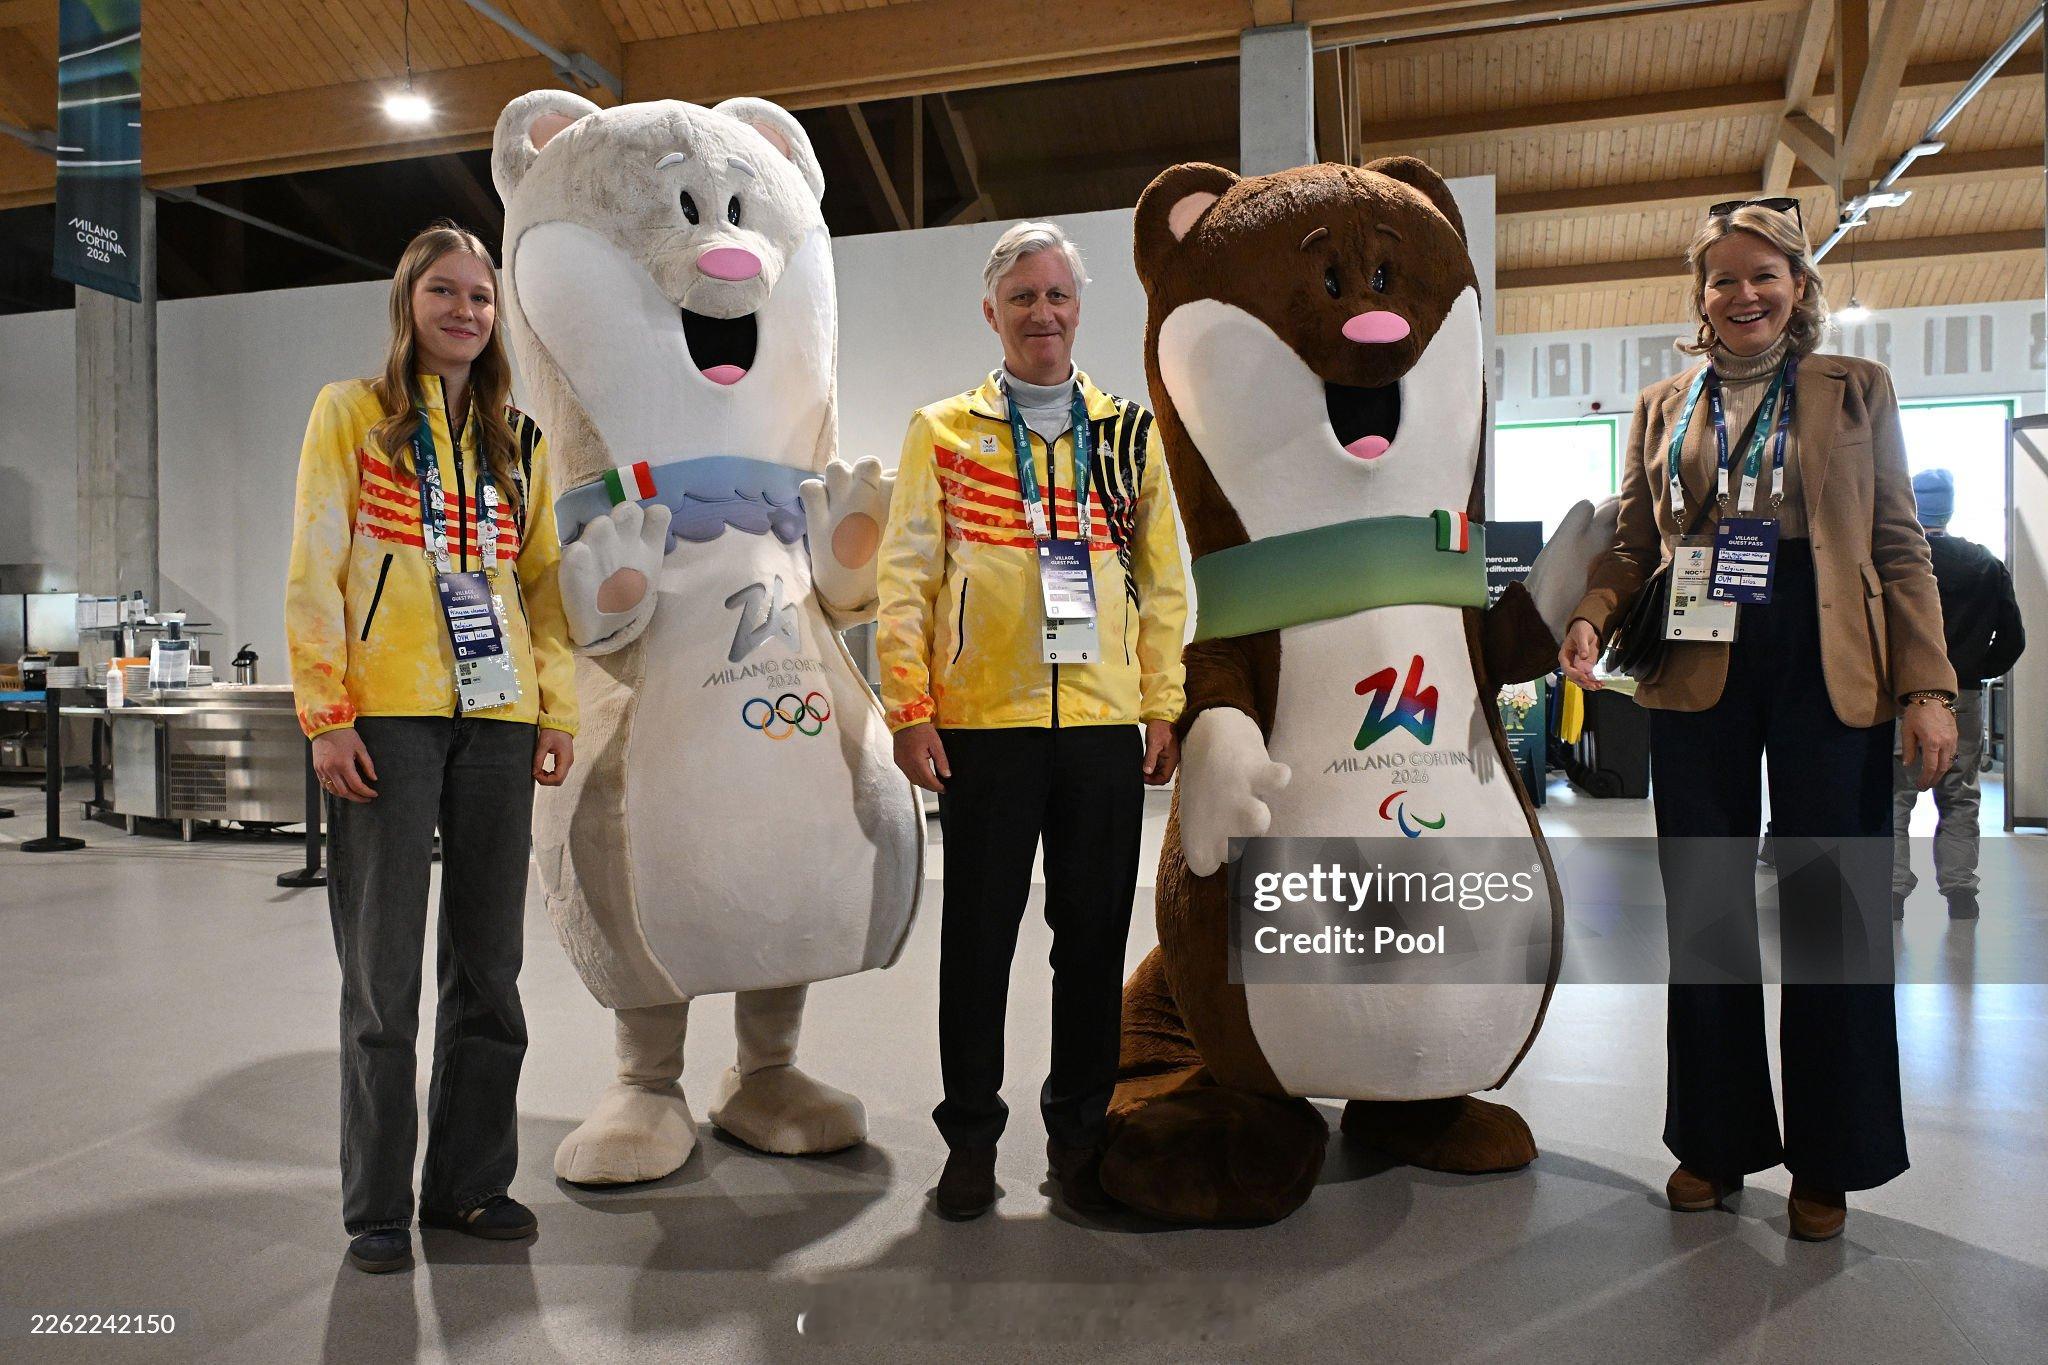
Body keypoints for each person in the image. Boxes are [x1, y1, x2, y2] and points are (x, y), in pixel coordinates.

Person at [1559, 200, 1957, 1242]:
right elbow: (1632, 542)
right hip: (1698, 653)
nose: (1742, 295)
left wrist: (1926, 687)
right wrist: (1592, 618)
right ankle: (1714, 1139)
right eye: (1721, 280)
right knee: (1704, 902)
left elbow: (1898, 546)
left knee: (1828, 910)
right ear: (1699, 299)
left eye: (1762, 276)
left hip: (1828, 655)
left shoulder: (1853, 389)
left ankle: (1829, 1157)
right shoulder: (1661, 404)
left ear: (1796, 286)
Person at [876, 221, 1188, 1220]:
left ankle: (1079, 1134)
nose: (1040, 313)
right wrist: (910, 709)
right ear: (991, 312)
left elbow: (1165, 585)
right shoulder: (942, 430)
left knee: (1090, 942)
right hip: (982, 727)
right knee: (976, 943)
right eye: (1022, 298)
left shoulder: (1130, 434)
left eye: (1056, 295)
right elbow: (905, 582)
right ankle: (969, 1137)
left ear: (1078, 306)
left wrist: (1161, 703)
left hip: (1099, 726)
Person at [285, 223, 578, 1274]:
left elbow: (543, 591)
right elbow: (315, 566)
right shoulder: (353, 416)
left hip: (497, 720)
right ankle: (375, 1203)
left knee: (489, 967)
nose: (464, 310)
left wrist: (557, 711)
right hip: (387, 719)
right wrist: (327, 715)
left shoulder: (520, 441)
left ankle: (467, 1186)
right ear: (407, 302)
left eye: (480, 297)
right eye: (444, 292)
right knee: (381, 975)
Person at [1891, 467, 2027, 920]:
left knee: (1894, 797)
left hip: (1903, 699)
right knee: (1961, 795)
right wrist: (1969, 673)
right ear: (1949, 508)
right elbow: (2013, 640)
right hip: (1961, 698)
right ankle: (1960, 891)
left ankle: (1891, 893)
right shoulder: (1985, 563)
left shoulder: (1898, 561)